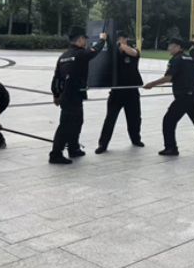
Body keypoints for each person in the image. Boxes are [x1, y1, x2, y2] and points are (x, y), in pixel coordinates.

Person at [49, 26, 108, 165]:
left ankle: (74, 148)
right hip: (73, 95)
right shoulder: (80, 54)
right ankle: (55, 154)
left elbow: (56, 77)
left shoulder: (63, 56)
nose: (85, 43)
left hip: (67, 95)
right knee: (66, 125)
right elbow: (95, 51)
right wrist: (102, 40)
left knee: (77, 122)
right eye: (84, 40)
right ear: (81, 39)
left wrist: (56, 95)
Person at [144, 38, 194, 156]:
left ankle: (171, 148)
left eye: (171, 46)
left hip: (183, 96)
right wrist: (192, 79)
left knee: (169, 121)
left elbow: (168, 78)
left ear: (179, 47)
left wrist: (152, 84)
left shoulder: (175, 60)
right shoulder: (189, 58)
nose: (168, 48)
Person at [96, 31, 145, 154]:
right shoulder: (113, 54)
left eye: (119, 39)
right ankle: (103, 144)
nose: (118, 41)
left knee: (134, 117)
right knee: (110, 118)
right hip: (117, 91)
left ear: (125, 39)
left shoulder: (132, 50)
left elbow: (134, 53)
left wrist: (117, 44)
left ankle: (136, 139)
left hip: (131, 90)